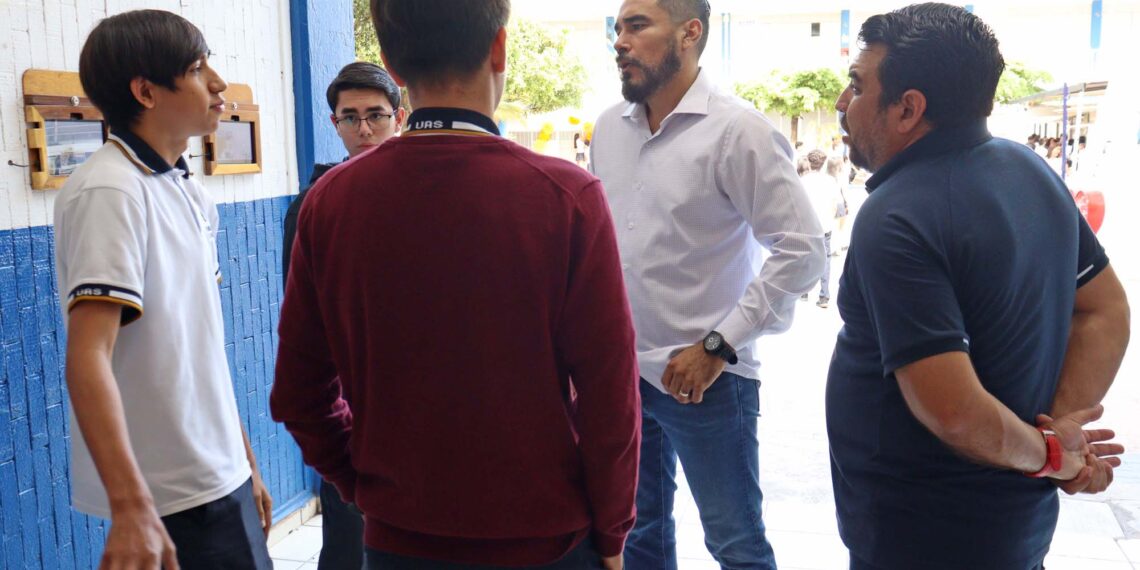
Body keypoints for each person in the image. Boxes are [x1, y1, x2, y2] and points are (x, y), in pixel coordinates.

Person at [270, 1, 640, 569]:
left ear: (391, 65)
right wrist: (612, 534)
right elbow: (610, 397)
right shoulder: (566, 198)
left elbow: (298, 395)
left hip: (398, 540)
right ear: (500, 47)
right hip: (545, 541)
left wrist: (362, 486)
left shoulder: (331, 203)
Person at [826, 4, 1129, 570]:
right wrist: (1057, 434)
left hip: (924, 541)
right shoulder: (1028, 169)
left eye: (857, 85)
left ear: (908, 109)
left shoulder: (896, 217)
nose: (844, 103)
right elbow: (1106, 309)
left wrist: (1053, 453)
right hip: (1008, 532)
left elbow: (955, 411)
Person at [590, 0, 826, 568]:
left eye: (638, 26)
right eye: (617, 28)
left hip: (707, 379)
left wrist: (719, 346)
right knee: (638, 536)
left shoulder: (737, 130)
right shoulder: (608, 129)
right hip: (624, 376)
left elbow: (803, 249)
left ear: (690, 33)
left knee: (734, 542)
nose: (620, 41)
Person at [53, 9, 273, 569]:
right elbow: (87, 355)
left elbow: (198, 347)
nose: (219, 84)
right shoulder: (110, 190)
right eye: (199, 69)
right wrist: (131, 509)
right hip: (173, 496)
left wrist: (243, 462)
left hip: (219, 475)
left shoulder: (183, 189)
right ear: (146, 92)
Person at [280, 61, 404, 570]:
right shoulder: (315, 205)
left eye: (375, 115)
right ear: (334, 125)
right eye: (349, 118)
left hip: (420, 398)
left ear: (399, 117)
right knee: (352, 537)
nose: (364, 129)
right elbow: (308, 325)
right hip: (355, 400)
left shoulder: (420, 195)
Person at [801, 149, 844, 308]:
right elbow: (838, 205)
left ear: (809, 162)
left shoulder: (802, 181)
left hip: (806, 225)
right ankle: (824, 295)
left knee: (805, 256)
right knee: (825, 258)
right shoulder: (830, 181)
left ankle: (803, 291)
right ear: (823, 163)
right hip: (825, 224)